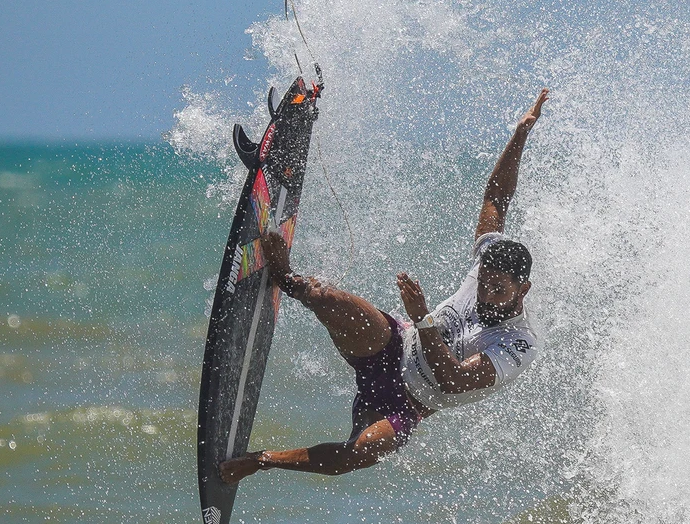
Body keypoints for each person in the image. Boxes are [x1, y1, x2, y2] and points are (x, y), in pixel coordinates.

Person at [219, 88, 550, 485]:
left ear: (523, 289)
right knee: (322, 295)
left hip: (405, 403)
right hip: (390, 342)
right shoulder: (490, 260)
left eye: (499, 291)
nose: (487, 294)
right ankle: (285, 276)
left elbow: (453, 379)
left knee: (357, 453)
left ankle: (260, 461)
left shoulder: (520, 344)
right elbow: (497, 197)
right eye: (484, 285)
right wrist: (520, 135)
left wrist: (423, 319)